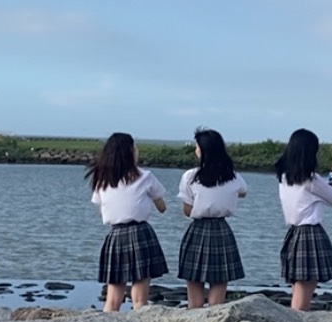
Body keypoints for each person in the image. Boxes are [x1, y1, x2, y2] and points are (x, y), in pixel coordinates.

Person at [86, 132, 168, 312]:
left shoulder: (102, 179)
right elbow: (162, 207)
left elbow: (101, 209)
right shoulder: (145, 176)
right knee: (140, 300)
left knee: (112, 300)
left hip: (116, 235)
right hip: (140, 233)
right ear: (130, 151)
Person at [275, 128, 332, 311]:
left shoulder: (284, 177)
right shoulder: (311, 179)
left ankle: (294, 320)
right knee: (305, 286)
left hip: (293, 233)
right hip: (309, 234)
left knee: (298, 285)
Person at [177, 128, 248, 308]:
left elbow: (187, 210)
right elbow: (243, 192)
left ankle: (194, 314)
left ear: (202, 150)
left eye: (197, 147)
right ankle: (216, 315)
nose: (195, 150)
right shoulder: (233, 175)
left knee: (194, 279)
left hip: (198, 229)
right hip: (221, 229)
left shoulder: (190, 176)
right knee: (219, 280)